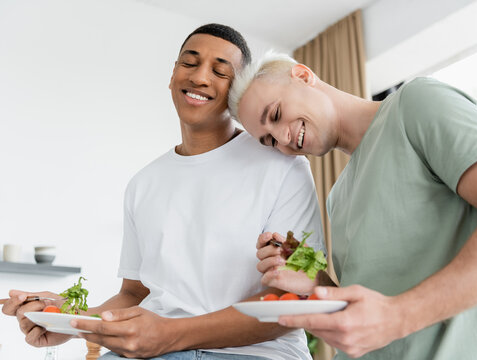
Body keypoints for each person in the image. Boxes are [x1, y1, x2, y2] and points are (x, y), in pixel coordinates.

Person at [1, 26, 325, 360]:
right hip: (156, 350)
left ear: (240, 91)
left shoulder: (283, 164)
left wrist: (170, 336)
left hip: (255, 353)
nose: (200, 77)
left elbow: (294, 295)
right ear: (173, 76)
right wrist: (69, 321)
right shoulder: (143, 183)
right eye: (189, 63)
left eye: (220, 71)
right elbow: (133, 294)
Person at [228, 51, 477, 359]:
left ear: (303, 76)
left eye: (276, 114)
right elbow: (371, 313)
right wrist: (316, 278)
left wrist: (397, 316)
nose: (283, 139)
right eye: (269, 141)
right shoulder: (338, 197)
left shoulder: (416, 105)